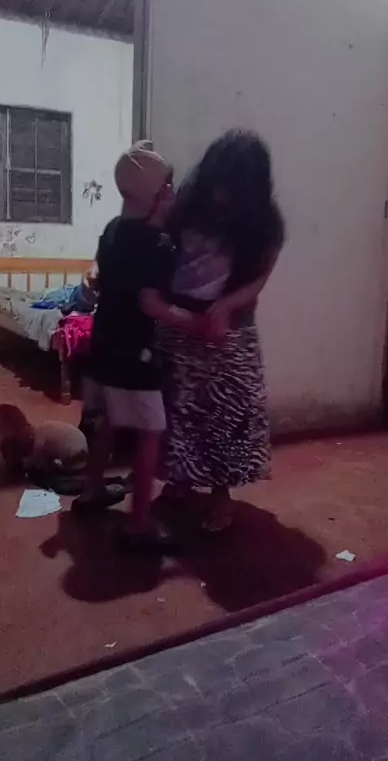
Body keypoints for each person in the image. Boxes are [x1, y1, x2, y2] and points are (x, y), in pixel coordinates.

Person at [72, 140, 201, 552]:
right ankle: (139, 525)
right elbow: (152, 304)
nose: (174, 193)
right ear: (154, 195)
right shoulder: (157, 244)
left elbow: (102, 277)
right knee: (150, 433)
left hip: (104, 345)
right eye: (168, 187)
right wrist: (198, 322)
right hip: (135, 353)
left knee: (108, 421)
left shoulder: (113, 229)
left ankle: (91, 492)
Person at [159, 128, 285, 533]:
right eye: (216, 181)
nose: (219, 194)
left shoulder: (265, 224)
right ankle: (179, 480)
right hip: (179, 322)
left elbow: (260, 276)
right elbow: (163, 255)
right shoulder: (186, 205)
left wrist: (227, 306)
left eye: (230, 188)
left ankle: (219, 496)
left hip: (230, 326)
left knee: (226, 414)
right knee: (177, 408)